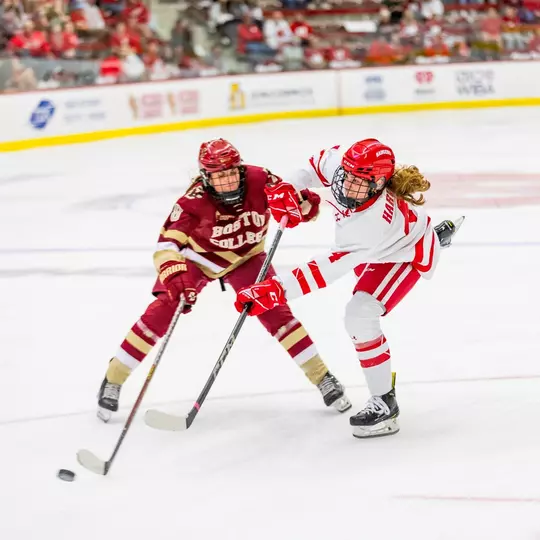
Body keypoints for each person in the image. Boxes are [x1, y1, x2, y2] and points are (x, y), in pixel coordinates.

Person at [97, 139, 351, 422]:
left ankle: (322, 376)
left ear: (241, 170)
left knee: (275, 311)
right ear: (206, 178)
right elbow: (166, 246)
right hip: (198, 260)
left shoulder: (261, 179)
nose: (228, 181)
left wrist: (304, 207)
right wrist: (174, 275)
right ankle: (114, 377)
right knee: (164, 309)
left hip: (247, 257)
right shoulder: (192, 202)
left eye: (232, 173)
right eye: (219, 176)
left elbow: (296, 201)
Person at [235, 139, 462, 438]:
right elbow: (312, 166)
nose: (346, 185)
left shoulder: (370, 224)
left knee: (360, 315)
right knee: (359, 303)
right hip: (372, 250)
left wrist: (275, 289)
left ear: (379, 184)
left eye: (358, 182)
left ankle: (385, 403)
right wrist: (287, 188)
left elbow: (327, 268)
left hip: (402, 253)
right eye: (347, 176)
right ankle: (434, 233)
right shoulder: (346, 170)